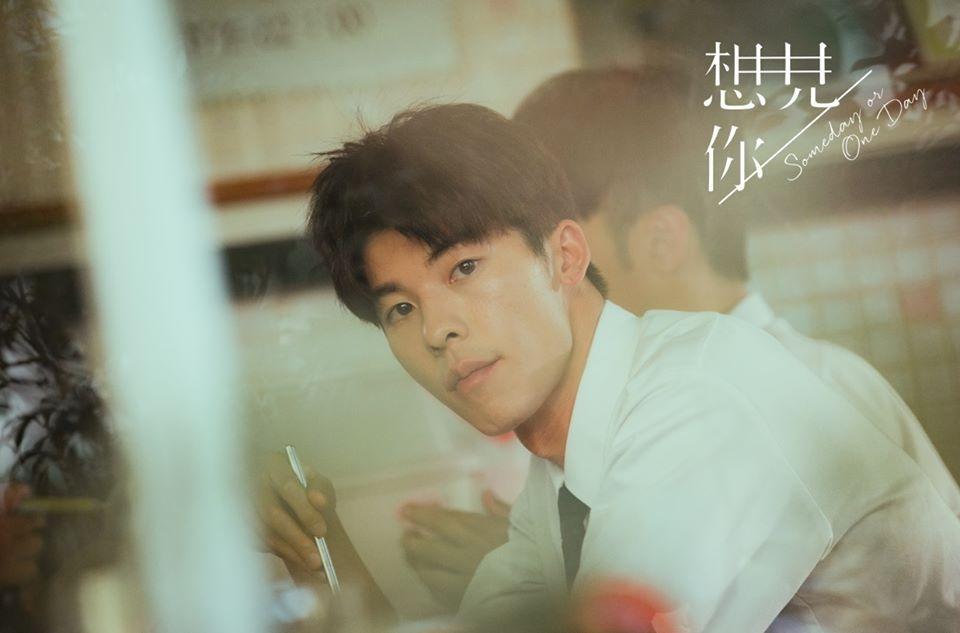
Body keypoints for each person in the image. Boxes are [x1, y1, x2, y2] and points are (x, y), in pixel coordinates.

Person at [257, 102, 960, 632]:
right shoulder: (558, 483)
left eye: (464, 268)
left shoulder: (694, 397)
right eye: (400, 309)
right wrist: (324, 556)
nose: (437, 330)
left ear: (565, 256)